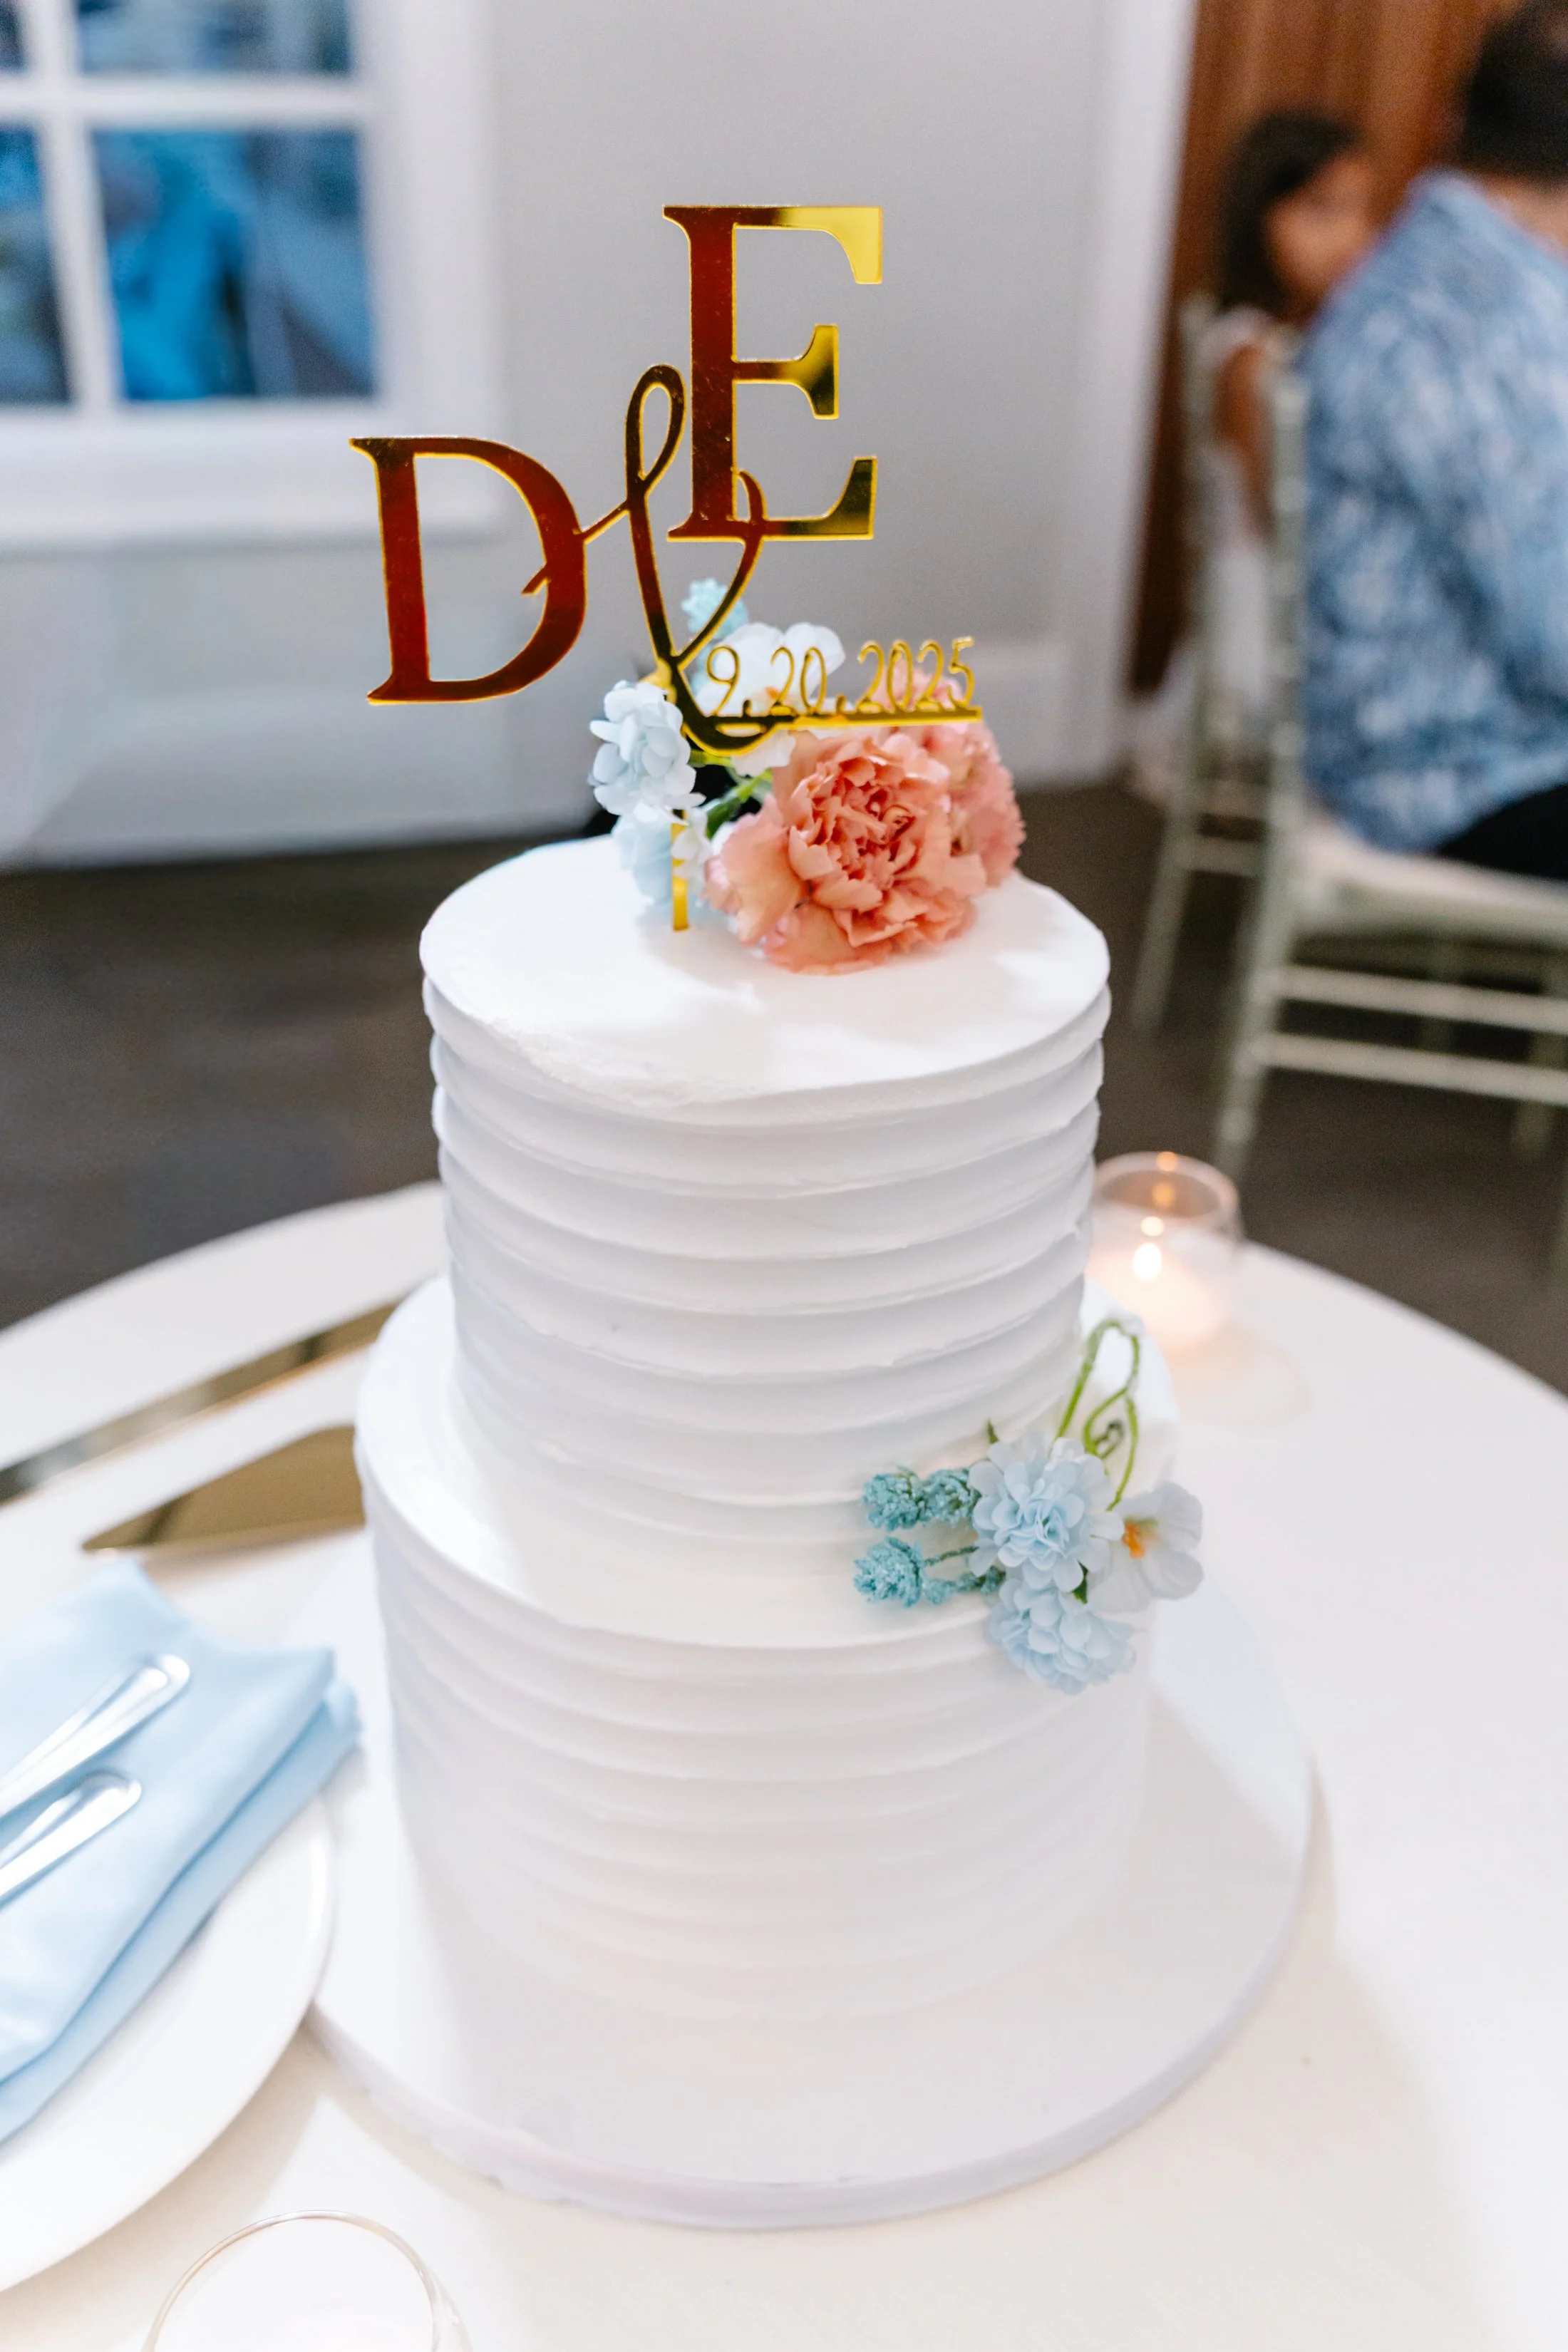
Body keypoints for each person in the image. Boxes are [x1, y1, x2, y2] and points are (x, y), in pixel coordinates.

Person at [1305, 1, 1568, 882]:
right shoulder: (1496, 322)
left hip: (1414, 731)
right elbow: (1554, 631)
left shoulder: (1433, 262)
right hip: (1457, 767)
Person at [1131, 114, 1375, 790]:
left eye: (1361, 212)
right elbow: (1284, 512)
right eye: (1322, 211)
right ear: (1259, 218)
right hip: (1265, 612)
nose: (1354, 238)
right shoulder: (1251, 355)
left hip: (1268, 591)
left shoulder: (1284, 341)